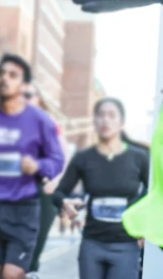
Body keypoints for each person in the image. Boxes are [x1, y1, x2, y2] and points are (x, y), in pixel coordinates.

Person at [0, 54, 65, 279]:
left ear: (24, 84)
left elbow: (57, 160)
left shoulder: (40, 120)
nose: (5, 79)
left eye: (13, 75)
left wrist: (37, 166)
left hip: (24, 207)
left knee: (11, 273)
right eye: (1, 73)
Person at [54, 98, 148, 279]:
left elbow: (154, 193)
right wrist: (64, 202)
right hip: (92, 245)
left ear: (121, 122)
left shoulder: (140, 158)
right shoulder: (83, 158)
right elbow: (59, 193)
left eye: (111, 115)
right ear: (95, 121)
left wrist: (141, 221)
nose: (106, 120)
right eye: (101, 115)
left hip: (126, 246)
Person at [23, 84, 67, 279]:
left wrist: (55, 182)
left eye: (28, 95)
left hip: (43, 190)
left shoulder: (49, 123)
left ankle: (31, 273)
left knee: (34, 247)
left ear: (38, 98)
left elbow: (63, 156)